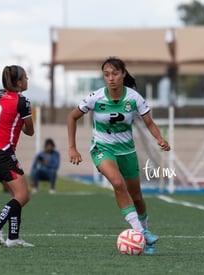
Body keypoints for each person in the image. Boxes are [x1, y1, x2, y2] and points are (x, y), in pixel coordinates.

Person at [67, 57, 170, 255]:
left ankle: (145, 232)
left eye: (115, 73)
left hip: (127, 151)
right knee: (116, 182)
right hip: (102, 148)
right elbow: (72, 117)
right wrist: (72, 147)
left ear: (123, 74)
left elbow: (149, 122)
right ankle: (139, 233)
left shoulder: (134, 98)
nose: (111, 78)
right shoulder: (96, 97)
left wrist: (160, 138)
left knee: (137, 197)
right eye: (107, 75)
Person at [0, 65, 35, 247]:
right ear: (19, 82)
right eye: (26, 77)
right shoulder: (22, 101)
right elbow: (30, 131)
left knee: (16, 195)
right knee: (23, 195)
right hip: (2, 151)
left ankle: (13, 238)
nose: (28, 80)